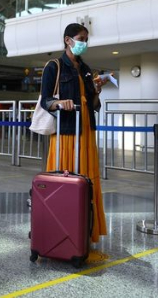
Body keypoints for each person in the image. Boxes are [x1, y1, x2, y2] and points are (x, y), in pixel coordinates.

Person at [39, 23, 108, 243]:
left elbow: (93, 105)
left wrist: (97, 92)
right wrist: (59, 103)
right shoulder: (54, 66)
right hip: (66, 130)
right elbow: (46, 101)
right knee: (64, 174)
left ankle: (85, 230)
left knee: (87, 176)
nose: (84, 43)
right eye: (81, 39)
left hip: (86, 129)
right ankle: (60, 229)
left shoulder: (86, 68)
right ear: (68, 40)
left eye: (86, 39)